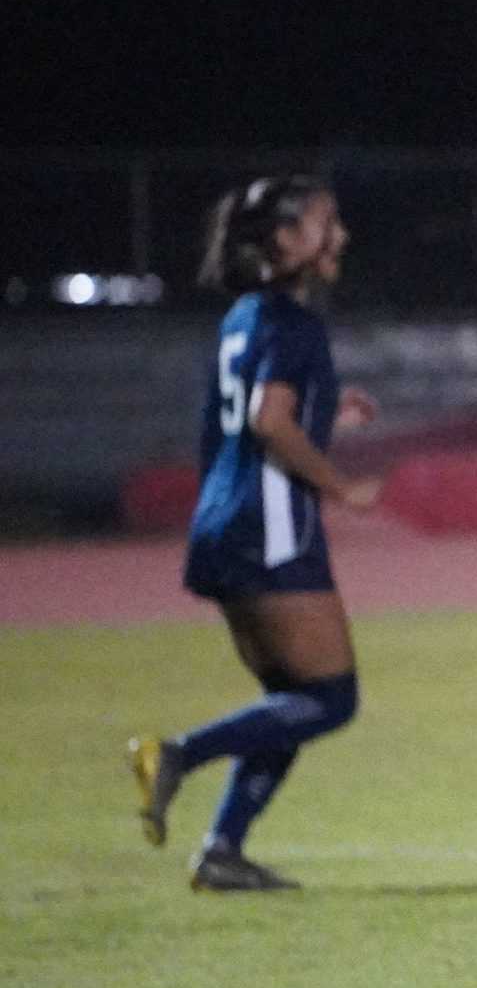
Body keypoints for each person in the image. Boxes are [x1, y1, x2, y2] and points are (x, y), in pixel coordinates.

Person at [129, 176, 380, 892]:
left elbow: (252, 422)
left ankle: (222, 852)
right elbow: (271, 425)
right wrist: (340, 485)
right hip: (269, 530)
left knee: (287, 701)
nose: (340, 237)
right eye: (326, 225)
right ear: (285, 241)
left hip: (224, 521)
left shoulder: (245, 316)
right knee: (330, 699)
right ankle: (175, 754)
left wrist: (328, 415)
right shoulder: (296, 326)